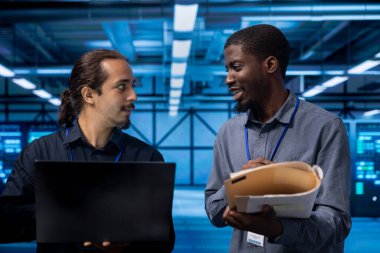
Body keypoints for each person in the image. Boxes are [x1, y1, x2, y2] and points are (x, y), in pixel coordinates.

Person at [0, 49, 175, 253]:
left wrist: (127, 240)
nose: (133, 96)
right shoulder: (40, 152)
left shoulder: (148, 158)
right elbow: (5, 222)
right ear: (89, 95)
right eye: (121, 86)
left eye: (132, 86)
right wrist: (71, 216)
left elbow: (164, 241)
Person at [205, 24, 351, 253]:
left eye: (236, 67)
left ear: (270, 65)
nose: (228, 79)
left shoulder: (326, 127)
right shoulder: (228, 132)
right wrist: (239, 183)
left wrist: (278, 228)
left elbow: (337, 221)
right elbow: (214, 213)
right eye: (227, 70)